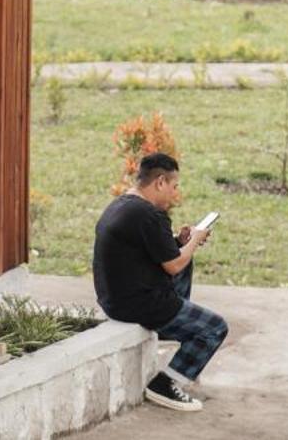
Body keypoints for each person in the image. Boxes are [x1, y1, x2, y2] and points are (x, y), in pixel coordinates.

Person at [91, 151, 228, 413]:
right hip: (137, 305)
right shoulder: (150, 216)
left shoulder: (124, 205)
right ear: (160, 182)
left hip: (115, 300)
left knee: (185, 261)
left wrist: (180, 242)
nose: (175, 194)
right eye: (174, 187)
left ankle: (173, 327)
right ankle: (166, 384)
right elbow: (174, 264)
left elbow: (156, 253)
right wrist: (196, 241)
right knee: (214, 328)